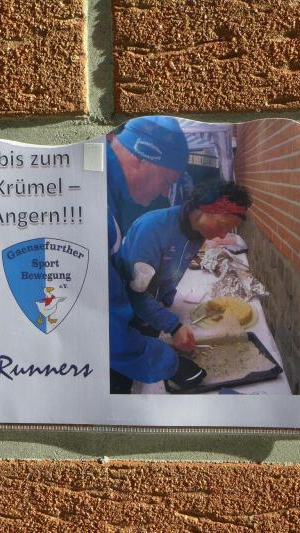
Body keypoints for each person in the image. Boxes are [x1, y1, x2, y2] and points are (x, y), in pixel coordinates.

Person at [113, 182, 252, 390]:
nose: (223, 236)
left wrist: (165, 302)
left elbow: (170, 273)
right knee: (124, 379)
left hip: (153, 311)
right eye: (223, 225)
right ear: (206, 208)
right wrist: (174, 326)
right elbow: (135, 294)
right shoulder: (152, 229)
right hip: (124, 317)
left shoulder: (197, 234)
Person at [106, 117, 191, 393]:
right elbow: (99, 319)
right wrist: (167, 362)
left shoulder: (109, 191)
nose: (165, 192)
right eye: (166, 180)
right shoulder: (93, 202)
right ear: (140, 158)